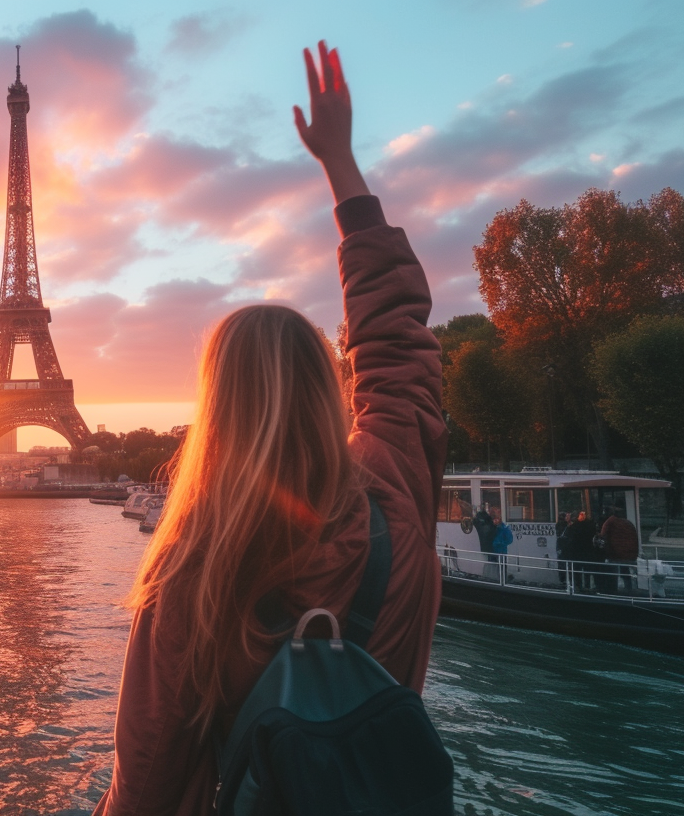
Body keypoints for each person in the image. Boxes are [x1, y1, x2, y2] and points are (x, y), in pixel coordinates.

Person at [92, 41, 446, 816]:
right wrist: (341, 167)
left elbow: (144, 786)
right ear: (330, 391)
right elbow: (396, 346)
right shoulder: (394, 494)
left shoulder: (191, 577)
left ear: (216, 414)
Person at [599, 507, 639, 594]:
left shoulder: (610, 522)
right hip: (630, 554)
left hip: (616, 554)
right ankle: (629, 588)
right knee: (625, 571)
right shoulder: (627, 523)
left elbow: (602, 535)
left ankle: (613, 590)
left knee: (612, 571)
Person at [564, 511, 598, 592]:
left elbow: (568, 537)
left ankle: (578, 586)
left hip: (577, 551)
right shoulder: (590, 526)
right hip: (587, 550)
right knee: (586, 570)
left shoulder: (574, 526)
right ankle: (587, 586)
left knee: (577, 570)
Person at [554, 512, 571, 588]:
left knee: (561, 563)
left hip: (559, 545)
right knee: (568, 563)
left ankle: (562, 580)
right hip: (566, 546)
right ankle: (569, 580)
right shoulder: (566, 525)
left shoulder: (557, 525)